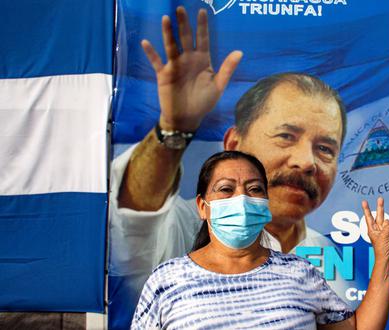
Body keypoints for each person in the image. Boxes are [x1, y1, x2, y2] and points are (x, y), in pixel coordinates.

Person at [108, 7, 350, 328]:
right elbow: (137, 211)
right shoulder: (178, 233)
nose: (306, 162)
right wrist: (175, 127)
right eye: (286, 136)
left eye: (324, 149)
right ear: (234, 143)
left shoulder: (321, 256)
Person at [131, 151, 389, 329]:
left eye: (255, 189)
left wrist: (385, 256)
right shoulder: (166, 281)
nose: (242, 199)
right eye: (226, 189)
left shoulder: (298, 272)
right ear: (202, 206)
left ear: (265, 205)